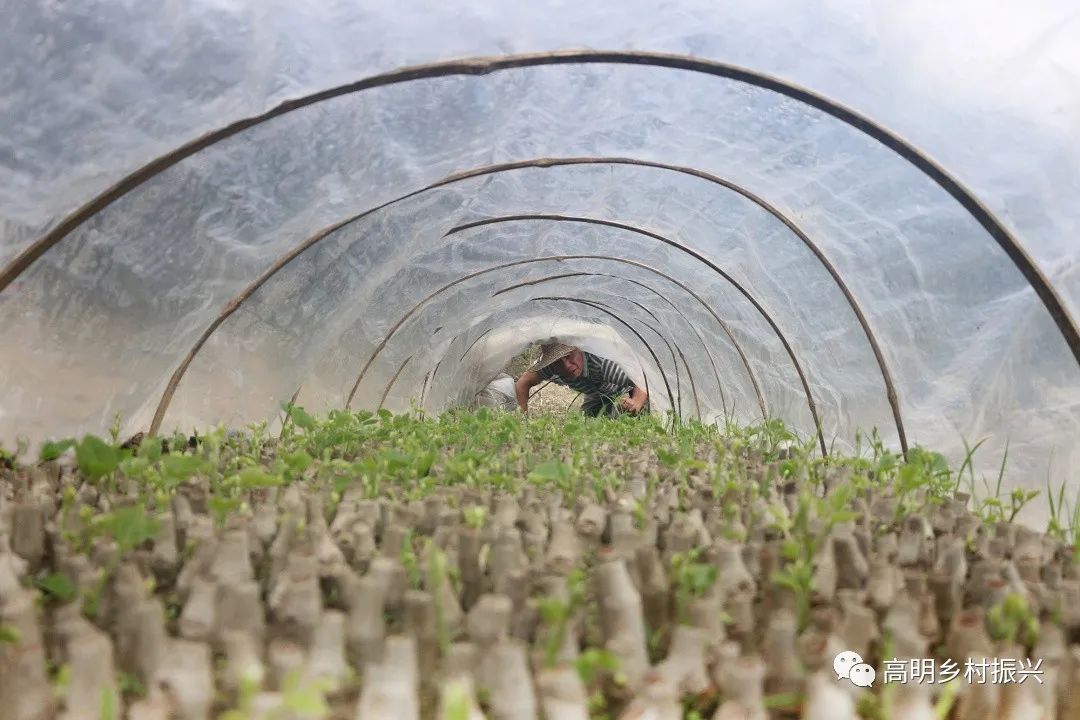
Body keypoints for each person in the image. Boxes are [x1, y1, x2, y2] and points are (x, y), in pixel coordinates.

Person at [514, 342, 648, 417]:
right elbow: (523, 383)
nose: (566, 366)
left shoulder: (602, 363)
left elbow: (641, 378)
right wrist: (521, 418)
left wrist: (635, 402)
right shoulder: (550, 366)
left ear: (578, 349)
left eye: (569, 356)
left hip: (620, 386)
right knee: (587, 422)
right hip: (595, 392)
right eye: (558, 362)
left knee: (630, 414)